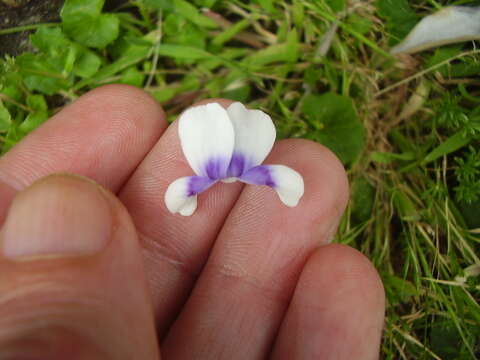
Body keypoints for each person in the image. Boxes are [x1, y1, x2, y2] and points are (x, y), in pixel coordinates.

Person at [0, 85, 385, 359]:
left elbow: (183, 194)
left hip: (226, 167)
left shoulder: (210, 169)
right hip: (230, 167)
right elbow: (183, 194)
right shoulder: (215, 167)